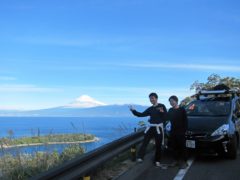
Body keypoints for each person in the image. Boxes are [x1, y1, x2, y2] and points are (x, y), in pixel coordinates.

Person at [129, 92, 167, 167]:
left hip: (158, 128)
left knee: (158, 145)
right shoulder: (150, 109)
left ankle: (157, 160)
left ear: (156, 98)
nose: (151, 100)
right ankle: (140, 157)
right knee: (145, 142)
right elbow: (141, 114)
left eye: (152, 98)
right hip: (151, 127)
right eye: (150, 99)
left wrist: (162, 113)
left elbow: (166, 117)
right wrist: (133, 110)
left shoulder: (162, 106)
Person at [167, 95, 188, 169]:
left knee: (182, 147)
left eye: (172, 101)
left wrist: (185, 131)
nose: (171, 103)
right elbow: (166, 118)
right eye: (170, 102)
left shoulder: (182, 110)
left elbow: (185, 121)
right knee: (174, 146)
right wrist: (162, 112)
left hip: (181, 131)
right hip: (173, 131)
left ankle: (184, 162)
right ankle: (175, 161)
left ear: (176, 101)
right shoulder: (170, 110)